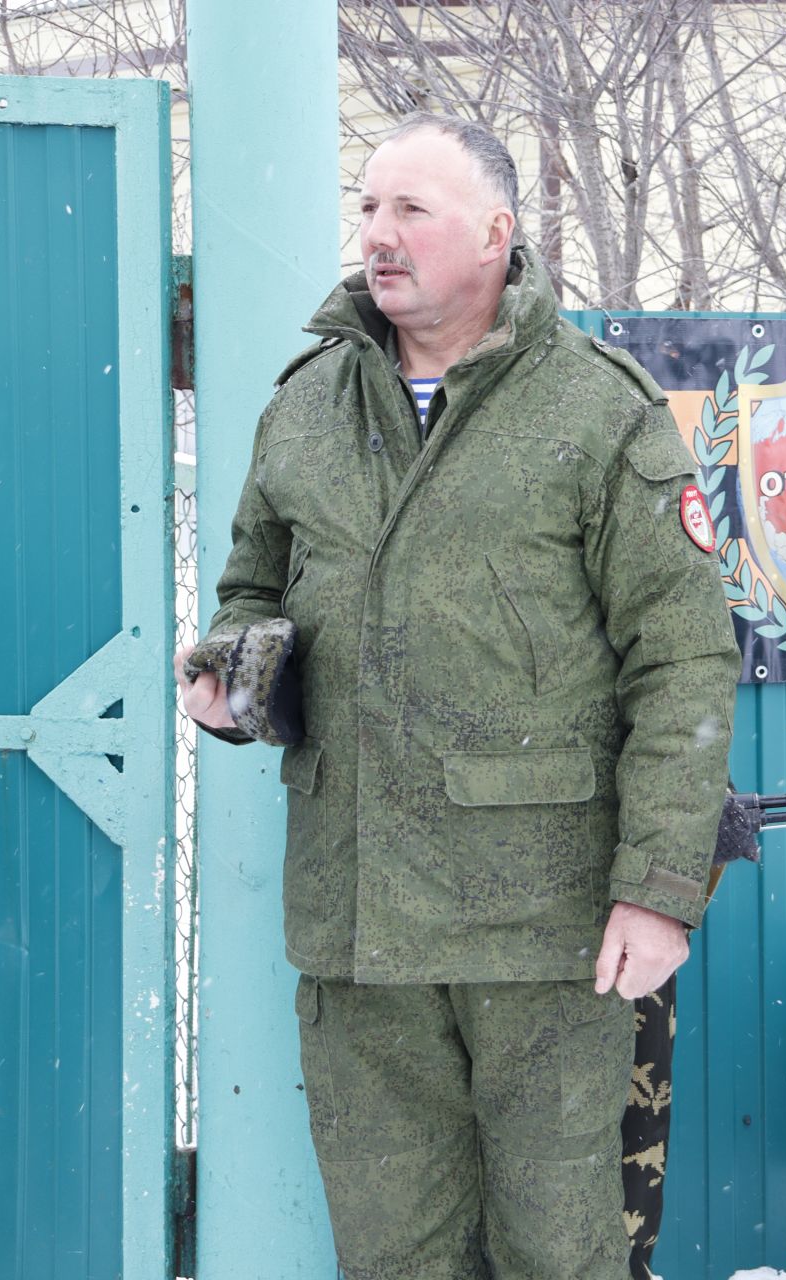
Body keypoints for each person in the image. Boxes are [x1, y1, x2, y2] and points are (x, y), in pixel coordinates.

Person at [174, 114, 738, 1280]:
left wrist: (659, 887)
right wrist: (232, 672)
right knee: (394, 1256)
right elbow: (249, 587)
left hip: (546, 931)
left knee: (560, 1251)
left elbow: (682, 659)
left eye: (410, 211)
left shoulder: (598, 412)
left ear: (496, 231)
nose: (377, 236)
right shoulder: (308, 404)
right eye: (369, 208)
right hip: (359, 916)